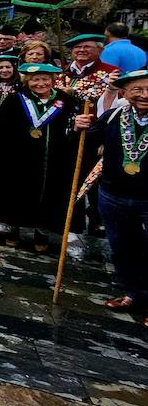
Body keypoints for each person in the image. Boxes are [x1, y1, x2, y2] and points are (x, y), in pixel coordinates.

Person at [0, 62, 81, 250]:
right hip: (19, 158)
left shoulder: (65, 101)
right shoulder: (15, 100)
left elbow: (71, 128)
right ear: (27, 81)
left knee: (46, 196)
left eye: (45, 79)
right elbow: (1, 131)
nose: (40, 84)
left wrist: (76, 126)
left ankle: (41, 233)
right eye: (35, 80)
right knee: (17, 192)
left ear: (53, 80)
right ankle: (14, 229)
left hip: (51, 160)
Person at [77, 69, 148, 318]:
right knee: (122, 247)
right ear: (124, 92)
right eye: (137, 89)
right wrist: (77, 126)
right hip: (113, 194)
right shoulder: (113, 115)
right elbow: (84, 141)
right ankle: (132, 293)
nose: (144, 95)